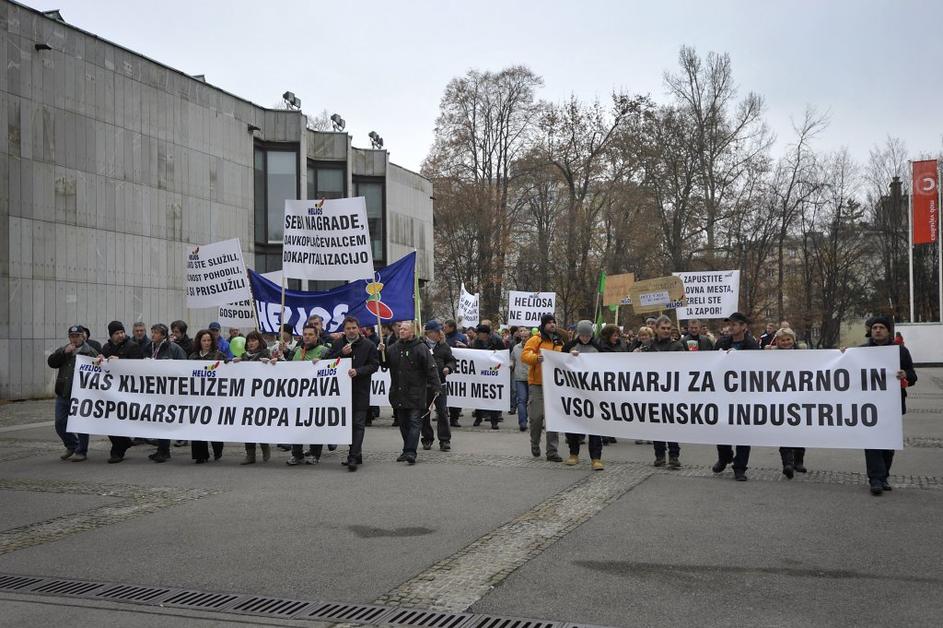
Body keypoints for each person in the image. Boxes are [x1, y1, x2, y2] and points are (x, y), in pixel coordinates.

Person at [859, 315, 916, 495]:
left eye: (881, 327)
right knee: (873, 442)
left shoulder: (900, 351)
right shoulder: (861, 351)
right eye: (875, 327)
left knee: (888, 444)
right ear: (870, 331)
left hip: (893, 403)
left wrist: (905, 374)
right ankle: (875, 479)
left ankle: (883, 477)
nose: (878, 330)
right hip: (869, 404)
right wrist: (843, 354)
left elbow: (913, 375)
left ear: (888, 331)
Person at [378, 321, 441, 465]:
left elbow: (431, 368)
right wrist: (381, 352)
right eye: (400, 329)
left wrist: (437, 387)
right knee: (403, 424)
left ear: (412, 332)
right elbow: (384, 364)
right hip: (398, 393)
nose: (401, 331)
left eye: (405, 329)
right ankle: (406, 450)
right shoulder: (393, 348)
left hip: (416, 393)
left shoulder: (421, 348)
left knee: (414, 422)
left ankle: (411, 452)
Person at [326, 316, 379, 471]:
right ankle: (357, 453)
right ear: (344, 330)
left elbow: (374, 365)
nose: (351, 331)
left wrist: (359, 371)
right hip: (341, 392)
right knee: (349, 425)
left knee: (358, 424)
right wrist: (341, 354)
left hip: (360, 390)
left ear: (358, 328)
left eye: (354, 328)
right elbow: (327, 362)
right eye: (348, 328)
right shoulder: (338, 344)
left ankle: (353, 457)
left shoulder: (368, 345)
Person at [712, 312, 760, 481]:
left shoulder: (751, 344)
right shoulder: (722, 342)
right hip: (724, 393)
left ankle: (740, 467)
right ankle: (724, 456)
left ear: (744, 326)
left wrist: (738, 358)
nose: (730, 327)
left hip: (744, 394)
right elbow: (712, 362)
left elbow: (756, 367)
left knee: (742, 432)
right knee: (721, 426)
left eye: (734, 324)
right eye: (729, 324)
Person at [47, 325, 99, 462]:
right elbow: (52, 362)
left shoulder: (90, 352)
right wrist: (63, 353)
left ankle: (81, 451)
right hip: (63, 392)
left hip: (81, 394)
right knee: (60, 423)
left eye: (77, 336)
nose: (74, 339)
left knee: (81, 424)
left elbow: (99, 370)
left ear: (83, 336)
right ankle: (72, 445)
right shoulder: (64, 349)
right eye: (72, 336)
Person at [562, 320, 604, 470]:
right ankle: (573, 454)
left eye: (588, 336)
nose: (585, 338)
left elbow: (605, 366)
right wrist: (568, 357)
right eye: (583, 335)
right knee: (573, 424)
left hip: (593, 393)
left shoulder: (598, 348)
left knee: (595, 426)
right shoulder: (569, 347)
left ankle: (596, 458)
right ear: (578, 334)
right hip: (573, 392)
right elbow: (559, 363)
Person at [99, 321, 144, 463]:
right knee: (108, 420)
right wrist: (99, 360)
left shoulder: (132, 346)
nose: (120, 335)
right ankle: (123, 442)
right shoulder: (106, 347)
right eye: (117, 333)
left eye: (121, 332)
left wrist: (120, 360)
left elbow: (139, 366)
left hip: (127, 391)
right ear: (111, 335)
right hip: (110, 391)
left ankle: (117, 451)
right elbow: (101, 366)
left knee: (120, 421)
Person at [521, 314, 564, 462]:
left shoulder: (559, 340)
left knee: (553, 419)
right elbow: (525, 355)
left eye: (554, 322)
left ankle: (552, 451)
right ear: (543, 325)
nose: (552, 325)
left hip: (554, 384)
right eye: (549, 323)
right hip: (537, 384)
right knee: (536, 417)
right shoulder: (535, 339)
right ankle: (535, 442)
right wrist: (536, 358)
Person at [766, 327, 806, 478]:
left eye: (788, 339)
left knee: (800, 430)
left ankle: (799, 461)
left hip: (800, 397)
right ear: (777, 341)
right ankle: (787, 463)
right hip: (780, 398)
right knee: (784, 430)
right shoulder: (771, 354)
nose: (785, 342)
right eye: (782, 340)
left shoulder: (803, 353)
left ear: (793, 340)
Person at [146, 323, 187, 463]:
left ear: (163, 335)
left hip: (169, 390)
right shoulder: (148, 347)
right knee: (157, 420)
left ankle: (164, 451)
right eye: (152, 332)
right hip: (154, 389)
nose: (153, 335)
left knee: (164, 420)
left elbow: (184, 367)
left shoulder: (174, 348)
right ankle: (161, 450)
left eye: (156, 333)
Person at [188, 330, 227, 463]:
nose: (206, 343)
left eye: (209, 340)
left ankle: (217, 450)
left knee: (213, 425)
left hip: (214, 397)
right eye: (204, 340)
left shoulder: (218, 355)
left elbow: (227, 370)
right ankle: (200, 455)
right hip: (197, 397)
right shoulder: (193, 357)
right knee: (197, 425)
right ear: (199, 342)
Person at [235, 331, 272, 465]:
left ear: (259, 341)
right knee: (247, 425)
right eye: (249, 341)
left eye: (254, 340)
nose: (251, 343)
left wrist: (269, 363)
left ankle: (265, 447)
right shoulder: (244, 356)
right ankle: (250, 454)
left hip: (261, 396)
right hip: (246, 396)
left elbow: (276, 368)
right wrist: (233, 362)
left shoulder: (265, 354)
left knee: (260, 424)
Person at [420, 320, 457, 451]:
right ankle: (427, 438)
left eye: (440, 331)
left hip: (440, 384)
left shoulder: (444, 346)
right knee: (424, 413)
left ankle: (445, 440)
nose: (440, 333)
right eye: (437, 331)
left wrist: (448, 367)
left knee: (442, 412)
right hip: (425, 385)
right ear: (428, 333)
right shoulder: (421, 345)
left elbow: (452, 361)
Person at [471, 323, 505, 429]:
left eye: (479, 333)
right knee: (479, 395)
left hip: (494, 373)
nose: (477, 335)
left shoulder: (497, 341)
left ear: (485, 334)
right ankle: (478, 417)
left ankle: (494, 421)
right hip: (480, 373)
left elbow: (503, 355)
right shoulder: (476, 342)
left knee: (493, 396)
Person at [443, 320, 468, 427]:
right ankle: (443, 416)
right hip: (446, 368)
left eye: (445, 327)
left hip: (458, 370)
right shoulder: (443, 337)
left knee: (456, 393)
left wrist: (465, 347)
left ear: (452, 327)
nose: (444, 329)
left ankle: (454, 418)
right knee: (445, 393)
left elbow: (469, 352)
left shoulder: (461, 337)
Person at [509, 329, 531, 431]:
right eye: (522, 337)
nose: (523, 339)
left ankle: (535, 421)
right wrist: (510, 365)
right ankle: (522, 422)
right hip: (519, 377)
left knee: (532, 402)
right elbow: (512, 360)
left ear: (529, 337)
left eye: (525, 337)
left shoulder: (534, 348)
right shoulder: (516, 348)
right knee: (521, 400)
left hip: (532, 378)